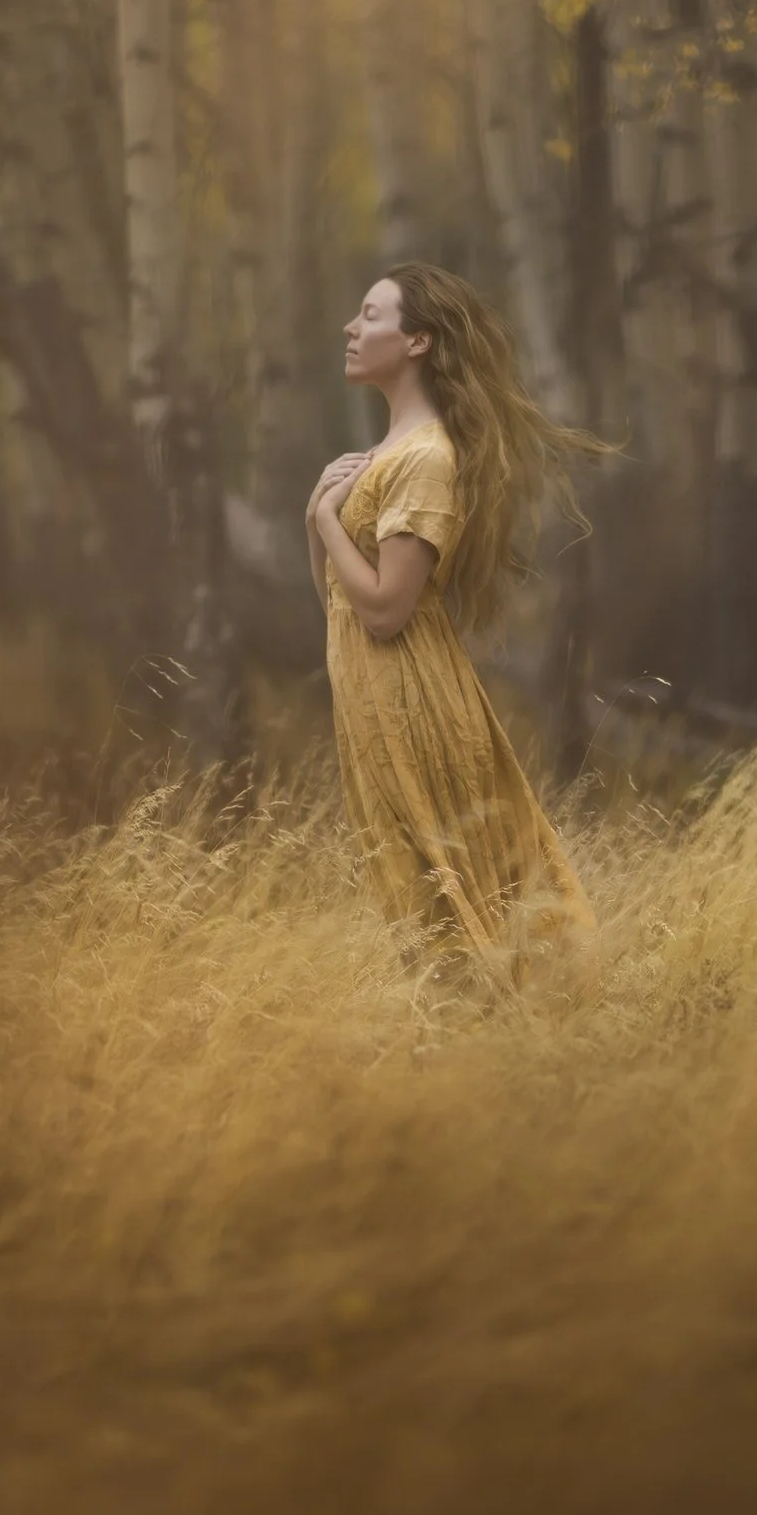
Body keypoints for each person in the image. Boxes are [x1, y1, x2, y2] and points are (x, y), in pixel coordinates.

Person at [307, 261, 599, 983]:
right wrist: (316, 520)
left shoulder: (425, 459)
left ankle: (509, 1044)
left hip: (413, 699)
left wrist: (321, 518)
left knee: (446, 886)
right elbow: (340, 605)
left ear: (418, 342)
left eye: (370, 315)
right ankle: (466, 1046)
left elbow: (383, 609)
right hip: (375, 698)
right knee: (416, 890)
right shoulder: (380, 456)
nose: (350, 326)